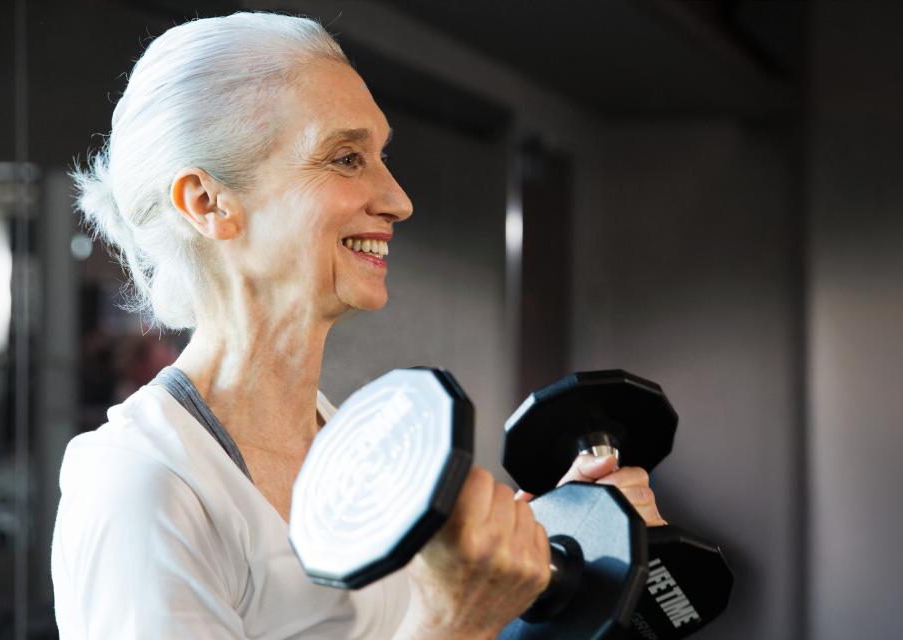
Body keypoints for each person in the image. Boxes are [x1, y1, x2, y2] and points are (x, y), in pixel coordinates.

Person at [51, 12, 665, 639]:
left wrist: (534, 559)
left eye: (380, 156)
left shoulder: (349, 443)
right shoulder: (140, 485)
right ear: (207, 203)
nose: (398, 199)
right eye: (345, 158)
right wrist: (452, 618)